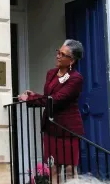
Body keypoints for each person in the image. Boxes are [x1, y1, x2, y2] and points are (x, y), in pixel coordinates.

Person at [18, 39, 84, 184]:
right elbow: (49, 97)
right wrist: (33, 96)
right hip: (51, 127)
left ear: (71, 60)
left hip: (67, 130)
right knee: (53, 168)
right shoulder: (51, 73)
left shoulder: (75, 79)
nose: (58, 56)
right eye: (58, 52)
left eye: (62, 54)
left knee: (69, 169)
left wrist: (32, 98)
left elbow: (56, 99)